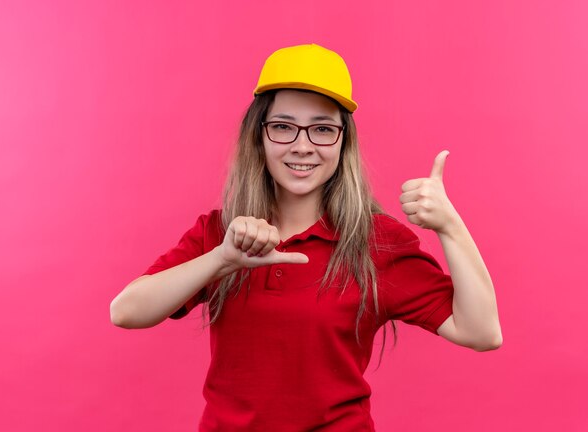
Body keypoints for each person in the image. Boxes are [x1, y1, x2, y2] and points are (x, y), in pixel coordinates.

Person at [110, 43, 502, 431]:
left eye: (322, 129)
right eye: (283, 126)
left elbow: (481, 332)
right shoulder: (220, 231)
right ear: (258, 136)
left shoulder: (376, 241)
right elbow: (126, 312)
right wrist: (222, 258)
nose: (302, 146)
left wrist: (450, 226)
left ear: (343, 141)